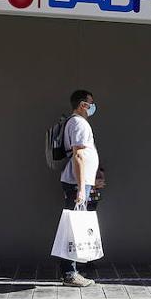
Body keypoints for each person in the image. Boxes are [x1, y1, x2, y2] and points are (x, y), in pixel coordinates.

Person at [59, 90, 102, 287]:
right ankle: (70, 273)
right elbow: (78, 156)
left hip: (80, 182)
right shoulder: (78, 123)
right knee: (73, 229)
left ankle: (71, 271)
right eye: (91, 103)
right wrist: (81, 188)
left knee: (74, 227)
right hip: (78, 183)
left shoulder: (77, 122)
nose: (93, 107)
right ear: (83, 104)